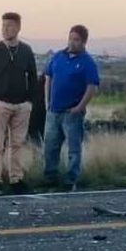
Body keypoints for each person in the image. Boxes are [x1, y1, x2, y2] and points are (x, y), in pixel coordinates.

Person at [0, 12, 38, 195]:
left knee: (17, 144)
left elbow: (33, 76)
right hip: (1, 103)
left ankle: (16, 179)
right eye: (3, 25)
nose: (5, 29)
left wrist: (30, 101)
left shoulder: (26, 51)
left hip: (22, 105)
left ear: (18, 27)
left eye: (9, 25)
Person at [43, 25, 100, 192]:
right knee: (50, 146)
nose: (72, 42)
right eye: (70, 38)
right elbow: (48, 77)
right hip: (54, 111)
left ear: (83, 42)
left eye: (76, 40)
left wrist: (80, 107)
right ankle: (50, 177)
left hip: (72, 113)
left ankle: (71, 179)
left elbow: (91, 87)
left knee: (73, 149)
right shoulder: (58, 57)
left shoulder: (87, 62)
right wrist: (47, 101)